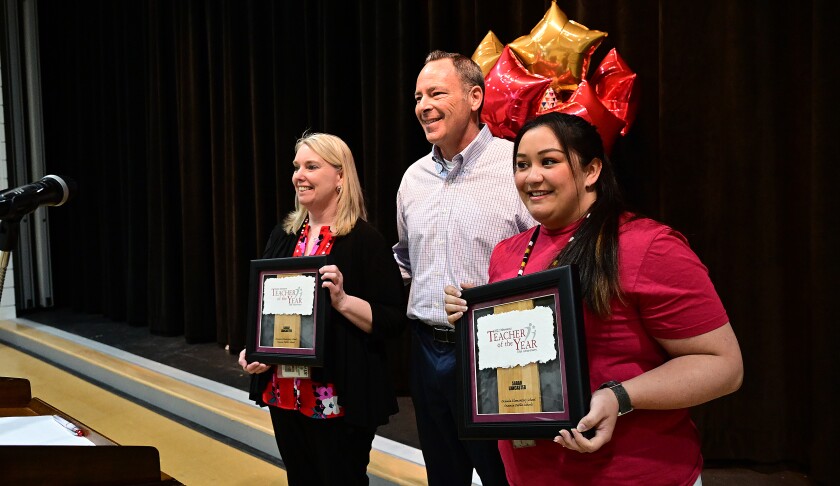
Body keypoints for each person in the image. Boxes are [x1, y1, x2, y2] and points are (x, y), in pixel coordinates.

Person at [444, 112, 744, 485]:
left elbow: (723, 366)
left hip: (634, 474)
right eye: (522, 165)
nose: (531, 176)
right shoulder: (507, 253)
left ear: (591, 171)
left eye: (548, 161)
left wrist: (620, 396)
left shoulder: (648, 246)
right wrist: (477, 319)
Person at [393, 50, 536, 486]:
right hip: (425, 348)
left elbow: (547, 256)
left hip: (496, 349)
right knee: (443, 474)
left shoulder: (517, 167)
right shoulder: (412, 178)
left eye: (436, 92)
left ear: (475, 97)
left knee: (503, 475)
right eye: (418, 97)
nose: (423, 106)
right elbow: (404, 257)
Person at [239, 132, 407, 485]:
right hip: (284, 393)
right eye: (297, 166)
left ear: (340, 176)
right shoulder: (283, 235)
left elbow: (392, 320)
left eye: (311, 166)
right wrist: (254, 350)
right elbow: (263, 310)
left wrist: (344, 301)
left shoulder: (365, 240)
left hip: (339, 397)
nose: (299, 175)